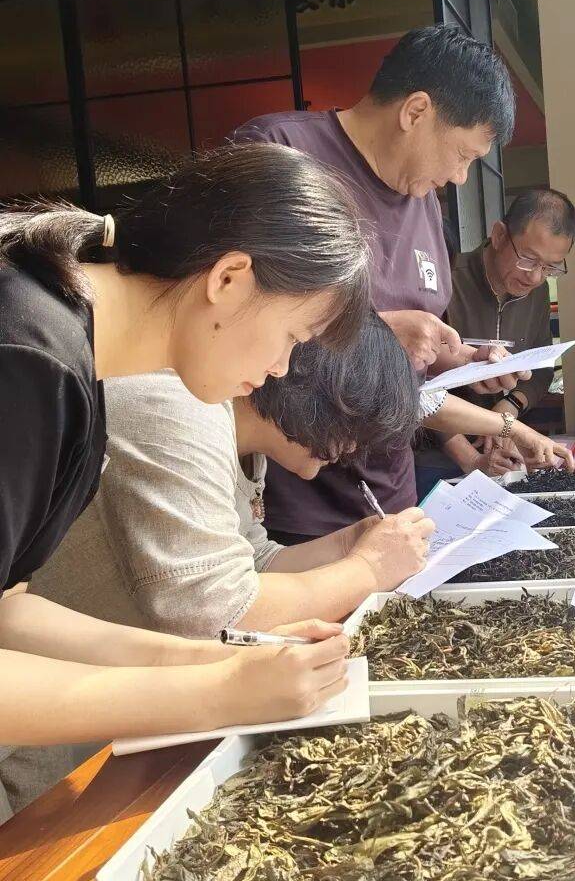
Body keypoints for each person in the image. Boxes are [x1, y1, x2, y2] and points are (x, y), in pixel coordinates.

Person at [0, 142, 370, 822]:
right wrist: (219, 694)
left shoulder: (77, 360)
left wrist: (215, 664)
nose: (284, 369)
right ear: (229, 278)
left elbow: (10, 611)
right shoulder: (29, 358)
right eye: (294, 336)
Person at [235, 24, 575, 542]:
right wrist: (374, 333)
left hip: (392, 498)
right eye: (462, 155)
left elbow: (408, 380)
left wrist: (456, 362)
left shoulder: (425, 205)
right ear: (416, 112)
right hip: (296, 512)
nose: (461, 177)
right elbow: (233, 325)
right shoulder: (278, 154)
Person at [28, 313, 432, 638]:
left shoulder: (245, 442)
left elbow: (253, 563)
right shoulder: (180, 409)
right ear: (324, 390)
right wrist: (368, 569)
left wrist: (349, 544)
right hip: (59, 699)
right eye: (354, 429)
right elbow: (213, 607)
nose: (352, 451)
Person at [440, 187, 575, 477]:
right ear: (500, 235)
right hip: (437, 456)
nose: (535, 277)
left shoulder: (536, 293)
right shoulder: (447, 280)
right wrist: (469, 459)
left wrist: (510, 406)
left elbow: (541, 370)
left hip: (500, 450)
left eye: (549, 267)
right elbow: (416, 385)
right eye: (528, 259)